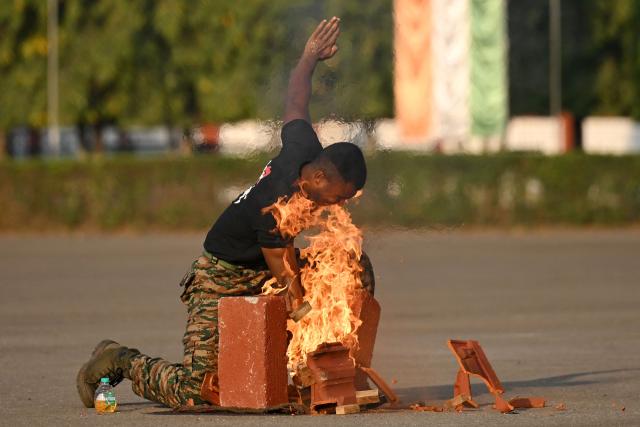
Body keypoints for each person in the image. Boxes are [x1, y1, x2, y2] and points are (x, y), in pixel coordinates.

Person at [76, 16, 372, 409]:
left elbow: (296, 100)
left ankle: (333, 372)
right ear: (319, 176)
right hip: (222, 275)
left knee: (354, 263)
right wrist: (302, 311)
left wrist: (308, 58)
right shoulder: (275, 201)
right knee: (197, 391)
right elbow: (282, 269)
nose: (338, 205)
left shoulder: (304, 145)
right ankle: (119, 359)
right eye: (337, 196)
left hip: (266, 269)